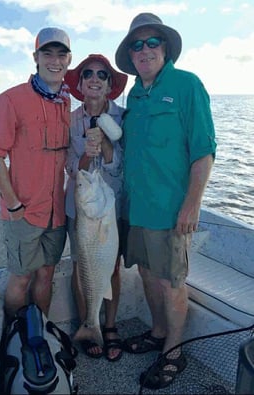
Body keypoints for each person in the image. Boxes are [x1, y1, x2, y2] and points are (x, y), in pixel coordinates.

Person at [115, 13, 216, 389]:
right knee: (145, 272)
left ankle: (174, 352)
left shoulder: (188, 85)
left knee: (172, 281)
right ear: (130, 54)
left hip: (171, 210)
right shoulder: (135, 95)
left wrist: (192, 205)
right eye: (136, 45)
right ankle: (158, 332)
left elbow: (204, 151)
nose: (144, 50)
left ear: (165, 48)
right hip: (136, 208)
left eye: (151, 42)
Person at [0, 27, 72, 319]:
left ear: (69, 60)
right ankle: (14, 333)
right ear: (36, 57)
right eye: (47, 53)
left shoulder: (67, 102)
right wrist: (14, 205)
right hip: (23, 211)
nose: (55, 60)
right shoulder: (11, 99)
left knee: (46, 276)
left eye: (62, 54)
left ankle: (42, 333)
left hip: (56, 214)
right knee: (21, 278)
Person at [64, 54, 128, 361]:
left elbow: (120, 170)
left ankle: (110, 325)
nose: (94, 79)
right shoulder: (69, 119)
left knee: (111, 267)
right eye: (87, 73)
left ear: (110, 84)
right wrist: (87, 155)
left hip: (110, 206)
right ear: (79, 83)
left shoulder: (124, 117)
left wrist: (104, 145)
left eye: (102, 75)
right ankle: (87, 322)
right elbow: (70, 166)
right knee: (82, 267)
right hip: (82, 208)